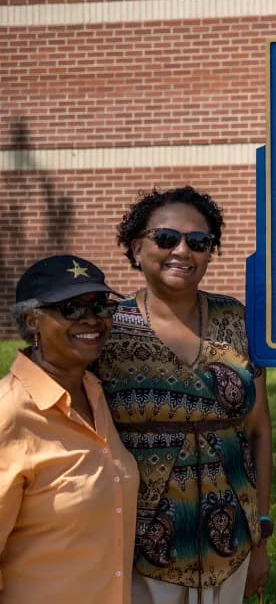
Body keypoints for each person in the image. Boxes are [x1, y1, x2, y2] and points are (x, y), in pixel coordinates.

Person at [95, 186, 272, 604]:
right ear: (136, 248)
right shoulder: (106, 330)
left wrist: (262, 532)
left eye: (198, 242)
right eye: (166, 238)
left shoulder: (237, 320)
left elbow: (259, 430)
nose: (183, 251)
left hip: (233, 540)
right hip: (140, 547)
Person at [0, 255, 139, 603]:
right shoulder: (10, 413)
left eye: (99, 306)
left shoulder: (94, 391)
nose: (91, 320)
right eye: (71, 309)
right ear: (33, 320)